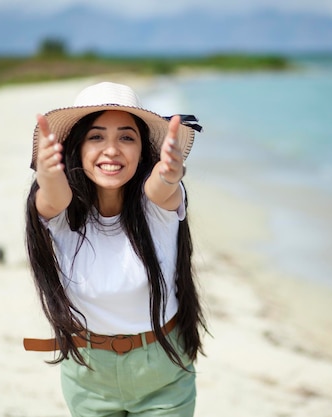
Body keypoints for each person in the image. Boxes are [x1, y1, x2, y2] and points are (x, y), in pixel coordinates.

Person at [23, 82, 206, 417]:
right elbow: (53, 197)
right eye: (96, 137)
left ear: (142, 150)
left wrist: (169, 174)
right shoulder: (62, 211)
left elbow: (160, 187)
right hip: (89, 373)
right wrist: (49, 174)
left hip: (162, 367)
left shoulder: (156, 205)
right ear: (76, 148)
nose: (111, 150)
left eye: (126, 137)